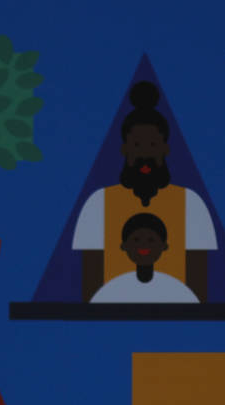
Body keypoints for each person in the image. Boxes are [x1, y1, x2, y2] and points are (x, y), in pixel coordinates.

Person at [71, 81, 216, 301]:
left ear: (165, 149)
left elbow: (198, 293)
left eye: (153, 145)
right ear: (124, 149)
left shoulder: (191, 204)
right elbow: (90, 293)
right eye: (137, 146)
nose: (145, 155)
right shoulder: (98, 204)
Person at [91, 212, 199, 303]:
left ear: (164, 246)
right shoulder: (111, 290)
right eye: (136, 240)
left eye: (151, 240)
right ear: (124, 246)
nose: (143, 245)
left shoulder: (178, 291)